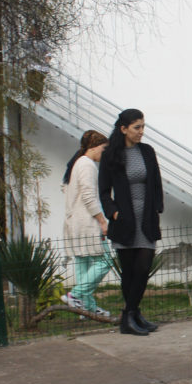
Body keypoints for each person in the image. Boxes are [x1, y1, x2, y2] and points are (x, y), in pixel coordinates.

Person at [98, 109, 164, 336]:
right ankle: (131, 316)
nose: (141, 132)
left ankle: (130, 313)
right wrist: (113, 213)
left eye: (143, 127)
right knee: (129, 272)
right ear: (123, 129)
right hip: (124, 221)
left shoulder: (147, 151)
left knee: (143, 268)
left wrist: (158, 209)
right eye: (137, 127)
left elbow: (156, 183)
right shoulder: (110, 155)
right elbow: (104, 191)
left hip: (146, 219)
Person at [62, 130, 112, 317]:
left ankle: (87, 309)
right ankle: (75, 295)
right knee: (104, 261)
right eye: (104, 148)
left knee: (83, 263)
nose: (105, 153)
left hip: (75, 222)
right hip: (87, 223)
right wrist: (102, 220)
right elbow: (89, 197)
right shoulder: (87, 165)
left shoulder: (77, 163)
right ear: (94, 147)